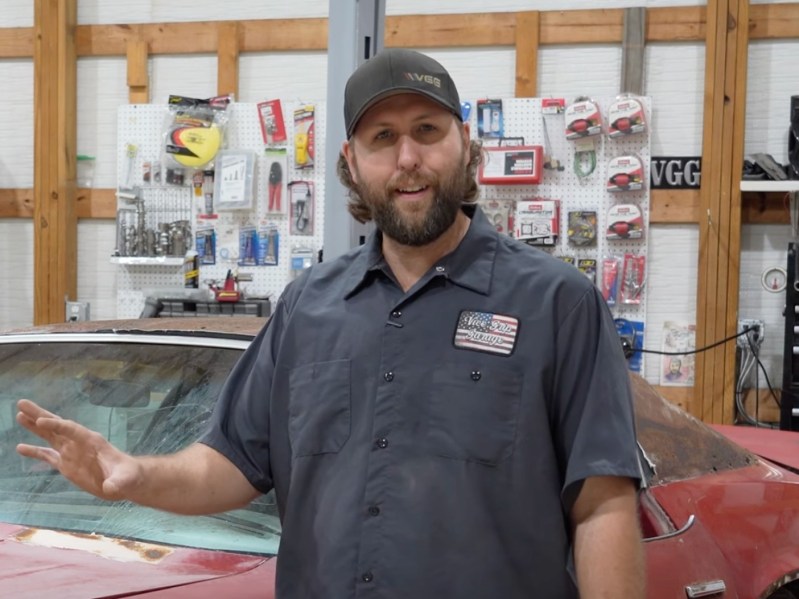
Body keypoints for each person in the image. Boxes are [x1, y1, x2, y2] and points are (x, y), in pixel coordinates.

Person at [16, 49, 645, 598]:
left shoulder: (556, 303)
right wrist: (134, 475)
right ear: (351, 159)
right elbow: (232, 463)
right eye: (382, 138)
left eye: (427, 131)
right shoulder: (306, 308)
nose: (408, 158)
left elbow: (602, 505)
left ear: (464, 142)